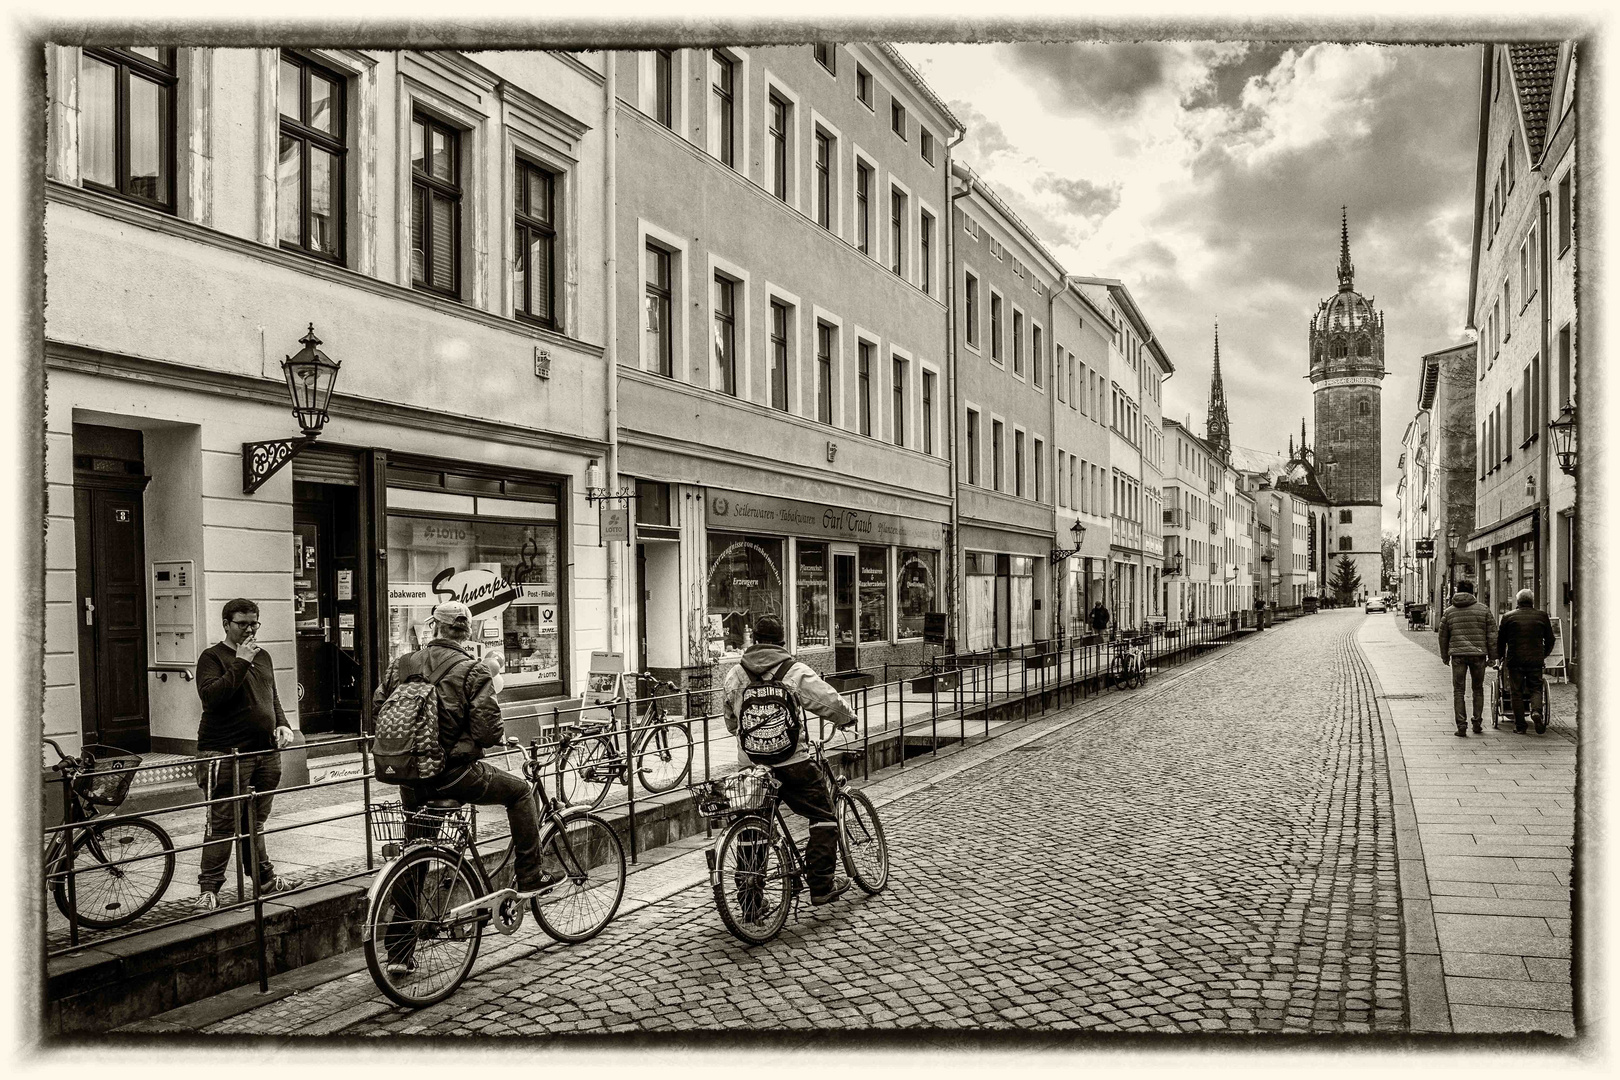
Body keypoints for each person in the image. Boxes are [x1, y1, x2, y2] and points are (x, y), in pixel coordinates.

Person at [721, 614, 858, 906]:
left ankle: (750, 901)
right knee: (823, 815)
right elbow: (827, 701)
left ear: (754, 640)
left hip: (753, 766)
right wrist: (847, 718)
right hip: (792, 763)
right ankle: (821, 885)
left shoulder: (735, 674)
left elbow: (732, 723)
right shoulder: (793, 670)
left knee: (752, 827)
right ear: (782, 641)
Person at [193, 599, 297, 911]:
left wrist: (283, 724)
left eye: (254, 623)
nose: (250, 629)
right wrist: (240, 662)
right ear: (226, 624)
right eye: (242, 624)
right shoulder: (212, 657)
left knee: (256, 821)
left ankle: (263, 878)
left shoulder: (262, 655)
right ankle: (209, 889)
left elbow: (271, 695)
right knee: (222, 824)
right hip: (225, 754)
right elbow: (212, 698)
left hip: (265, 752)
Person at [1437, 578, 1496, 738]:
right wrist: (1492, 656)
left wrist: (1444, 655)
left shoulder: (1449, 611)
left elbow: (1443, 636)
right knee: (1478, 689)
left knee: (1458, 691)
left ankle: (1461, 726)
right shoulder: (1483, 610)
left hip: (1458, 655)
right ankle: (1477, 723)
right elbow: (1491, 634)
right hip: (1478, 655)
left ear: (1457, 591)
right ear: (1472, 592)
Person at [1496, 589, 1556, 734]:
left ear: (1517, 602)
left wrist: (1500, 658)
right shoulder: (1541, 616)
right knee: (1536, 687)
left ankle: (1520, 726)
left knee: (1516, 692)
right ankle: (1536, 712)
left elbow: (1501, 641)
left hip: (1515, 660)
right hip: (1535, 660)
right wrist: (1544, 654)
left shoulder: (1508, 617)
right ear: (1532, 601)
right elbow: (1550, 639)